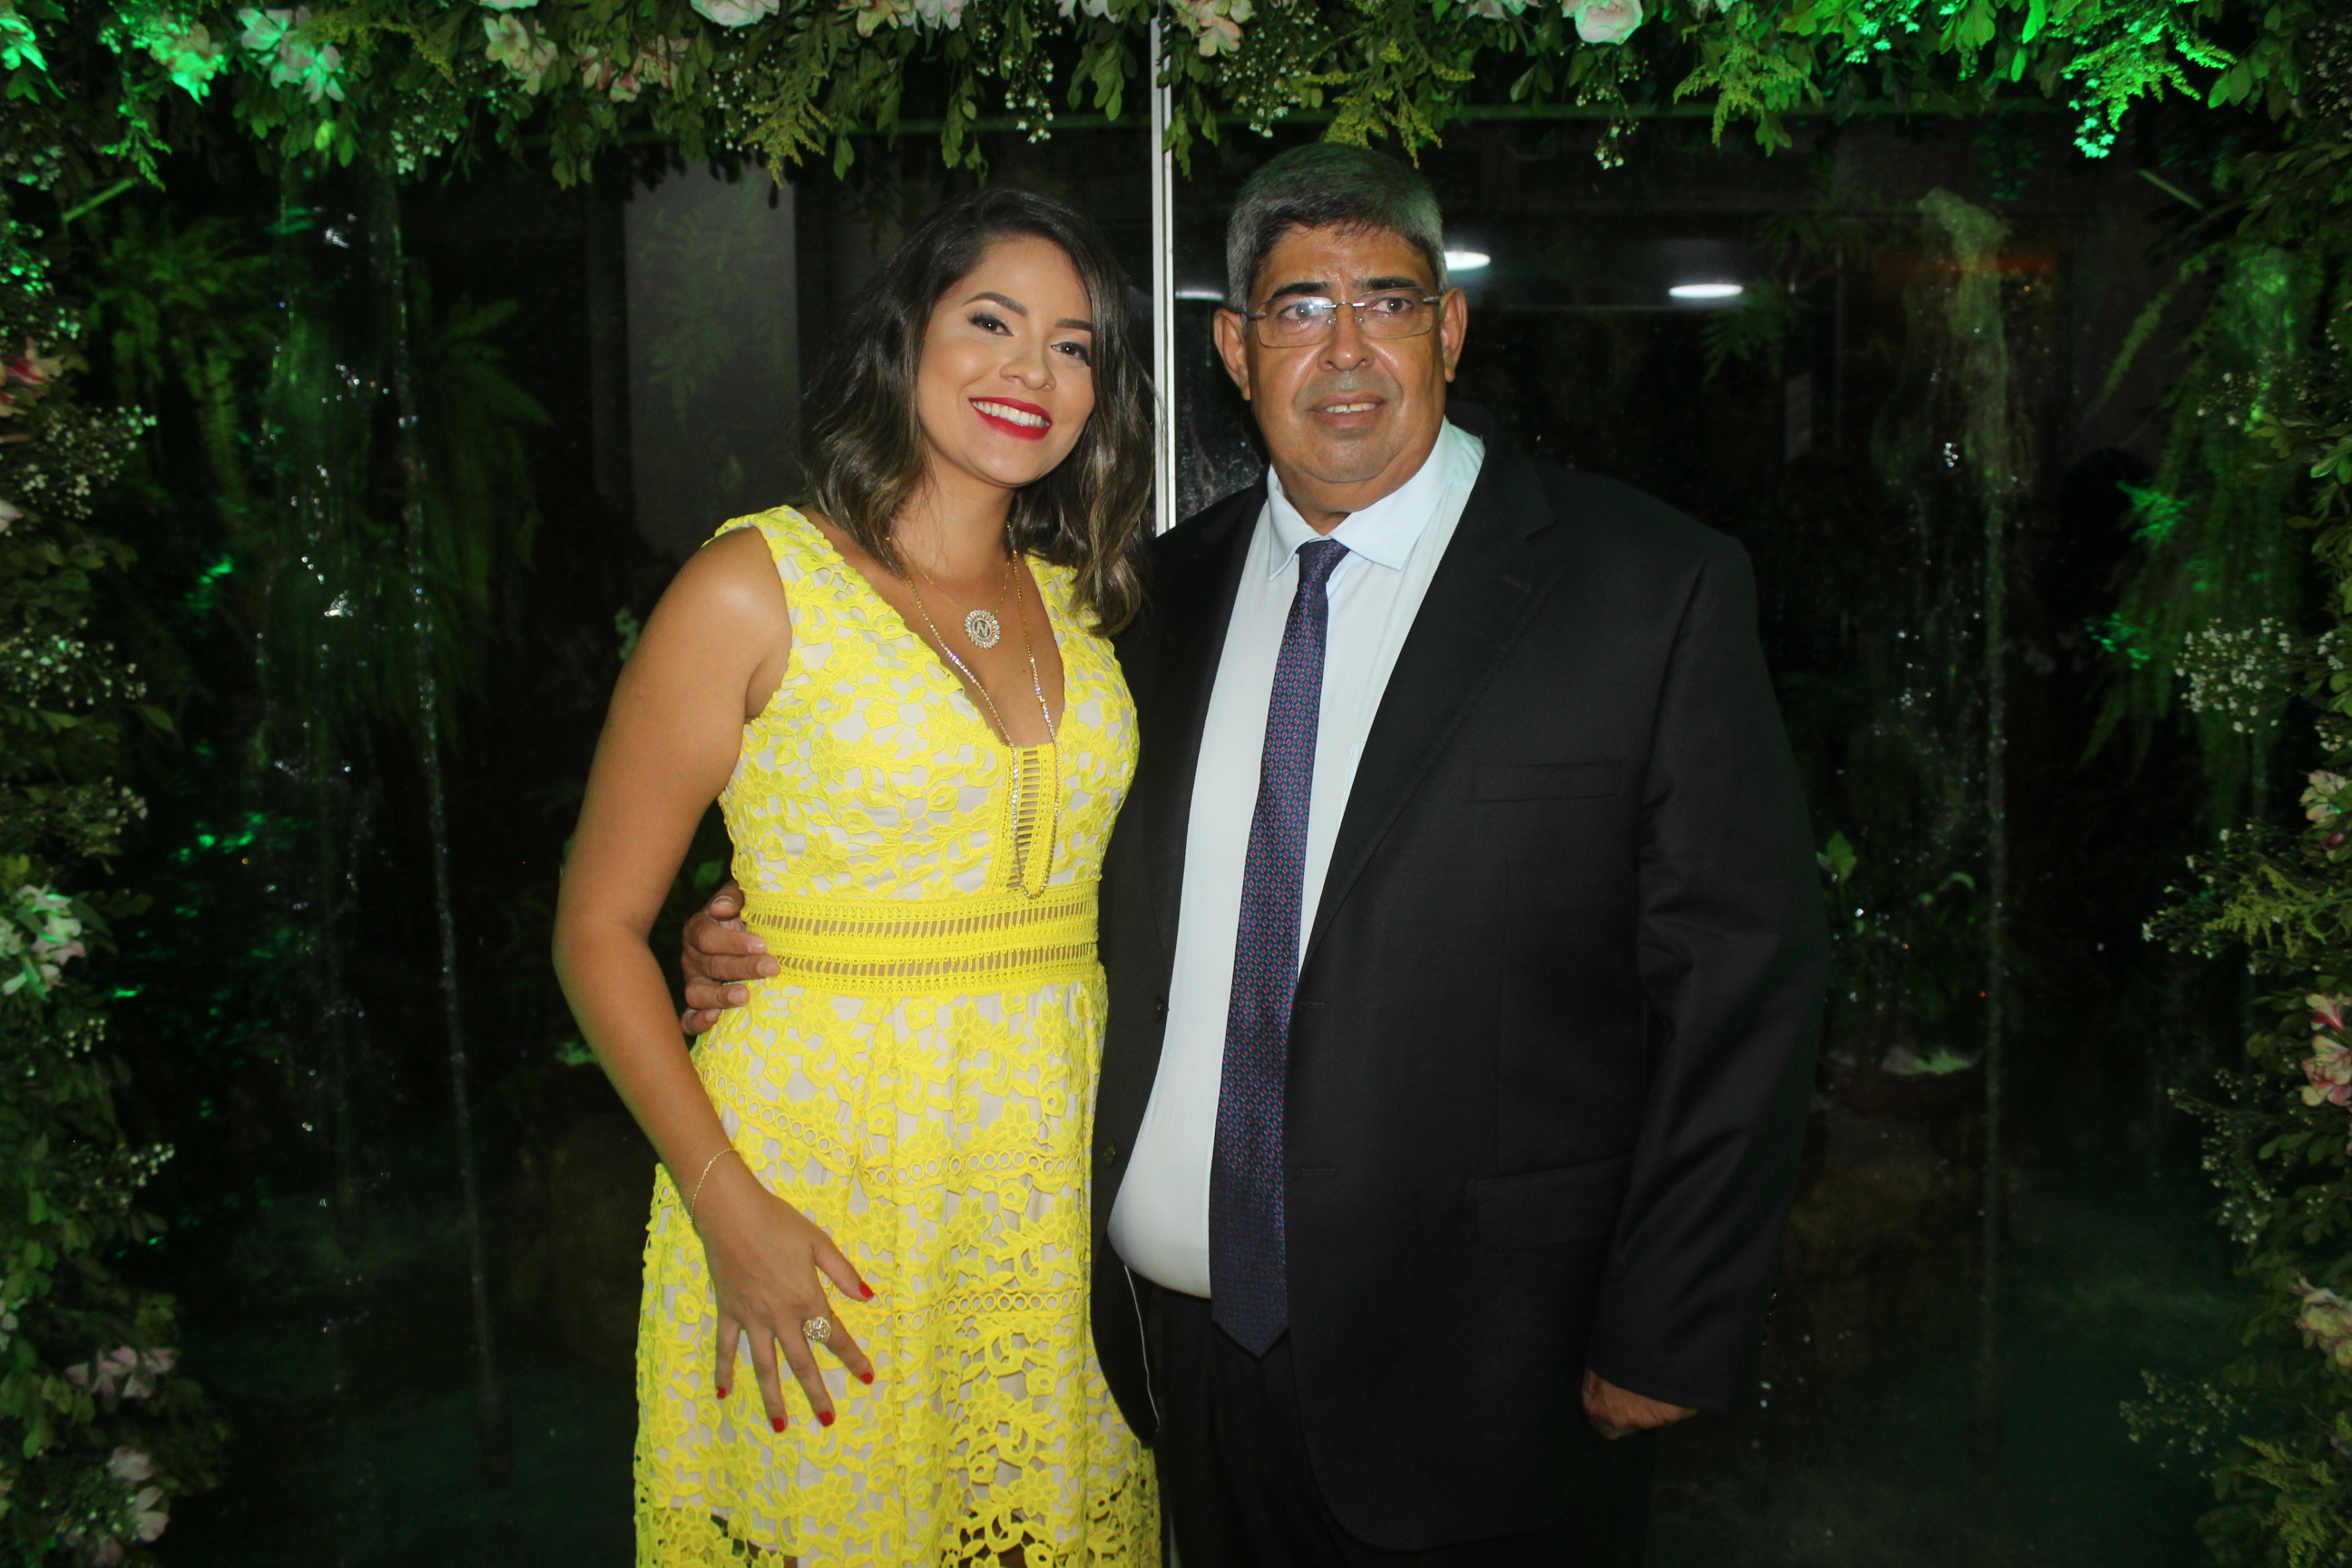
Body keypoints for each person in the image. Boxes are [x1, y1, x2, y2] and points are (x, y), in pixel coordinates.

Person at [687, 144, 1825, 1565]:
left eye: (1387, 302)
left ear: (1450, 329)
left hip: (1495, 1374)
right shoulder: (1147, 604)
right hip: (1187, 1369)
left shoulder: (1643, 587)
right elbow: (1012, 846)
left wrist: (1672, 1318)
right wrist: (759, 922)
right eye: (1298, 309)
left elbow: (1745, 981)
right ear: (1235, 350)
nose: (1345, 351)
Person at [554, 185, 1159, 1567]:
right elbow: (595, 926)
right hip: (817, 1197)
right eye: (991, 321)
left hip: (1047, 1201)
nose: (1031, 370)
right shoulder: (753, 586)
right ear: (906, 336)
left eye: (1073, 346)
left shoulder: (1092, 602)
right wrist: (728, 1206)